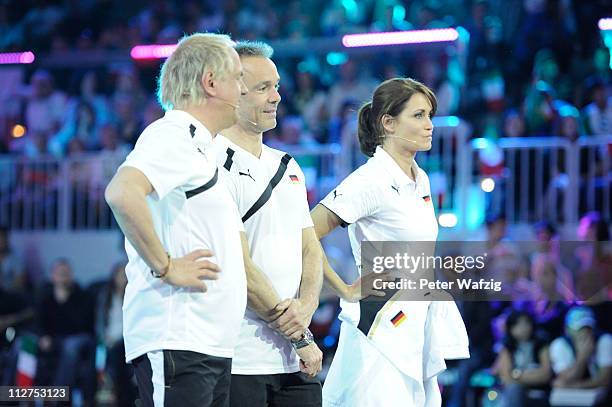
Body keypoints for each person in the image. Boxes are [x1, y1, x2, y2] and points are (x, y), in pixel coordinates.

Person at [105, 33, 248, 407]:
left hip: (205, 343)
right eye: (238, 76)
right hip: (178, 339)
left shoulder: (203, 145)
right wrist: (166, 267)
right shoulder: (174, 133)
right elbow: (121, 192)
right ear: (210, 82)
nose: (243, 87)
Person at [310, 78, 469, 406]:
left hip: (417, 325)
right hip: (380, 329)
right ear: (389, 123)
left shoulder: (420, 177)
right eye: (419, 115)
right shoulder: (370, 180)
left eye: (430, 116)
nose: (430, 125)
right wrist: (342, 288)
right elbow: (304, 232)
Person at [214, 41, 323, 407]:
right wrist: (300, 336)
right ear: (233, 91)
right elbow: (238, 265)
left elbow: (310, 248)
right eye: (263, 88)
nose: (276, 97)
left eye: (276, 86)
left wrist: (306, 310)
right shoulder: (211, 164)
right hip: (239, 358)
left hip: (293, 360)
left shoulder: (288, 165)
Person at [493, 310, 552, 407]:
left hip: (540, 392)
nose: (523, 328)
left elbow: (546, 375)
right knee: (513, 390)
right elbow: (506, 378)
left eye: (526, 323)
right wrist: (533, 374)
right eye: (518, 325)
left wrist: (517, 375)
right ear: (510, 328)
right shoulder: (507, 347)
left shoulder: (541, 344)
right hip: (515, 393)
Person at [549, 306, 612, 393]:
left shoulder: (605, 340)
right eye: (579, 328)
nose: (585, 332)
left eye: (588, 328)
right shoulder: (559, 345)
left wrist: (574, 386)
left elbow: (605, 380)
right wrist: (582, 357)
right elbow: (566, 378)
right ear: (567, 330)